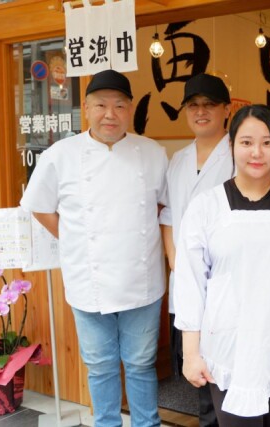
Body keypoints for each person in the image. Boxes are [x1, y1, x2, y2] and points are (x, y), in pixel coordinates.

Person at [20, 69, 168, 427]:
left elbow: (164, 208)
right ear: (85, 108)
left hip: (142, 282)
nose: (110, 114)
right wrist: (76, 237)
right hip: (90, 282)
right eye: (101, 105)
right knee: (100, 366)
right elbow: (39, 206)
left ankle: (145, 424)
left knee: (140, 364)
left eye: (119, 105)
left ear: (130, 109)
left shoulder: (153, 153)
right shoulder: (61, 154)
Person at [173, 104, 270, 427]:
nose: (257, 152)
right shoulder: (206, 207)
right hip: (227, 351)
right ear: (231, 146)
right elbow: (190, 282)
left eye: (267, 143)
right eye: (246, 142)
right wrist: (191, 352)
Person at [160, 73, 234, 427]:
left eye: (209, 105)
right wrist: (175, 260)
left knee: (227, 377)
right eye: (194, 106)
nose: (201, 112)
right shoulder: (178, 159)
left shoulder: (239, 153)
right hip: (186, 283)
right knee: (198, 375)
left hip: (226, 281)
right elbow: (169, 213)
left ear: (226, 110)